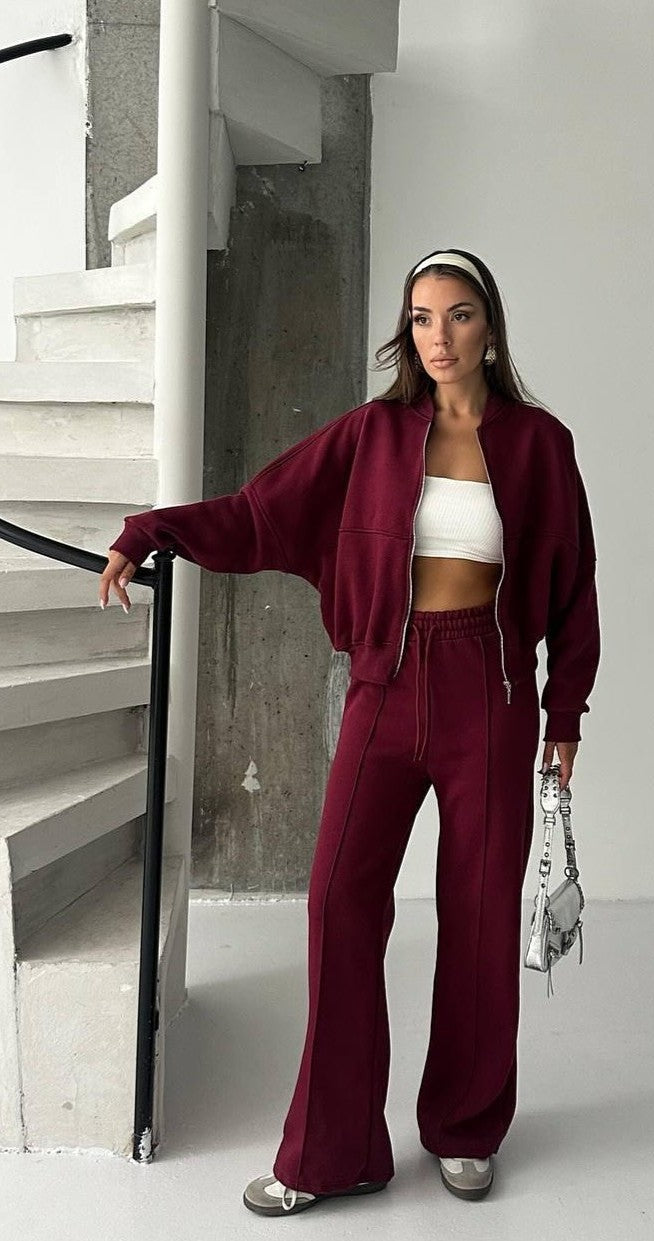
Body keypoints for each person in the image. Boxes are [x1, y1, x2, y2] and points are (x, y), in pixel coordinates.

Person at [100, 248, 601, 1215]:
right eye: (421, 317)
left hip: (492, 694)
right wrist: (152, 529)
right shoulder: (372, 434)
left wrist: (565, 712)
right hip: (386, 682)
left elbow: (575, 582)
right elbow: (261, 513)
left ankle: (464, 1127)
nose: (439, 336)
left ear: (489, 326)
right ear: (406, 330)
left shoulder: (540, 444)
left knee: (479, 915)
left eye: (458, 315)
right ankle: (333, 1153)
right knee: (337, 902)